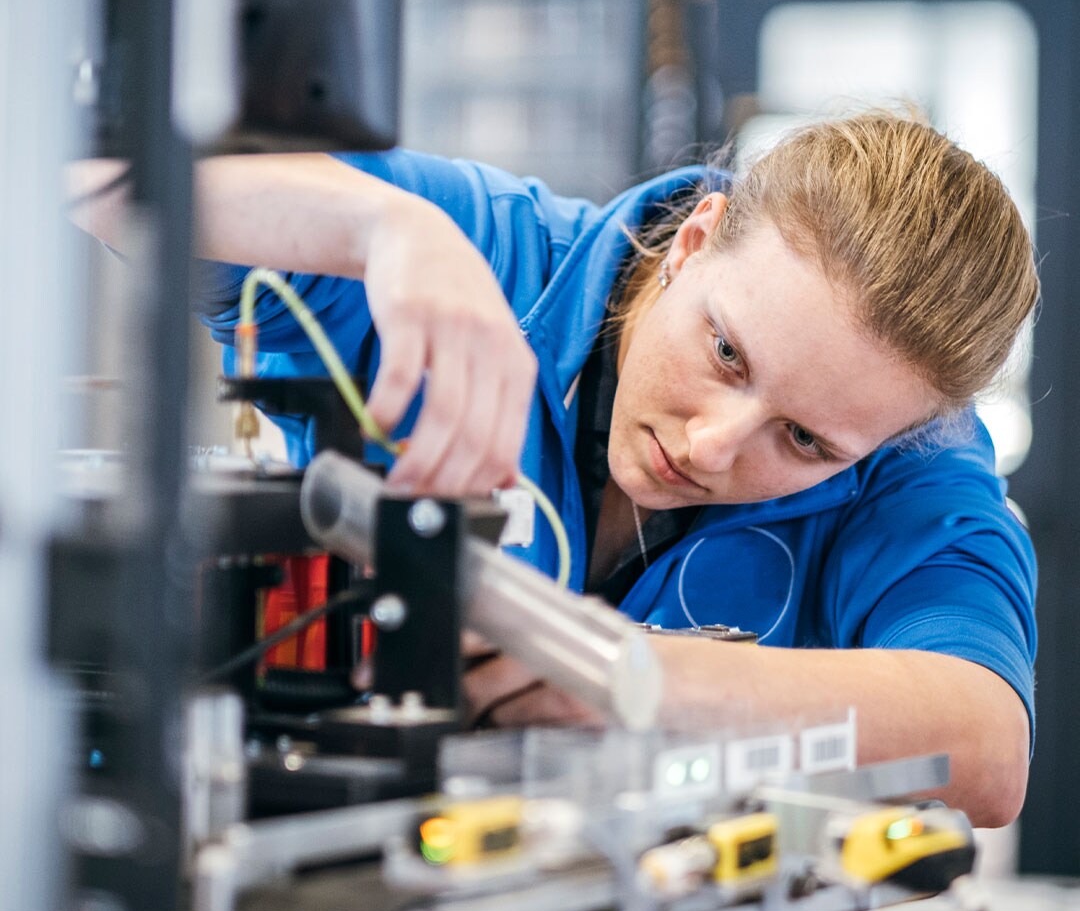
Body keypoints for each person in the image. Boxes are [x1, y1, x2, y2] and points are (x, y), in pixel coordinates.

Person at [69, 110, 1038, 828]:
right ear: (693, 243)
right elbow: (99, 167)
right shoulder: (487, 247)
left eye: (805, 443)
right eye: (727, 356)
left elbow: (987, 751)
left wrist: (631, 678)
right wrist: (379, 231)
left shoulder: (914, 472)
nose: (711, 448)